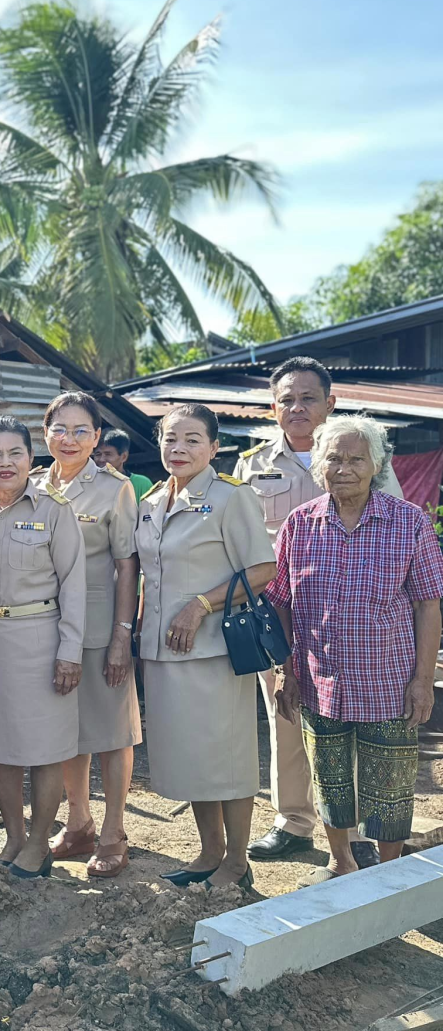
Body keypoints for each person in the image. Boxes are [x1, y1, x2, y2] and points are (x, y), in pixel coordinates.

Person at [236, 357, 403, 872]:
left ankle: (348, 829)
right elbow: (241, 542)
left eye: (308, 398)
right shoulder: (253, 464)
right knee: (285, 717)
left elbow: (395, 534)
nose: (297, 408)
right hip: (282, 613)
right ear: (274, 407)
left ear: (330, 403)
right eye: (287, 399)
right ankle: (293, 821)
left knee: (349, 724)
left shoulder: (368, 453)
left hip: (354, 621)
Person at [268, 415, 443, 883]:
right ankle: (341, 860)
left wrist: (423, 681)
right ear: (318, 465)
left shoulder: (408, 523)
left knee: (390, 785)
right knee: (330, 779)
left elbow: (429, 604)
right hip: (318, 680)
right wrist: (287, 672)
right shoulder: (300, 524)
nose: (344, 467)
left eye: (356, 458)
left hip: (388, 681)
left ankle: (385, 873)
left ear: (377, 464)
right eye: (334, 457)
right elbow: (281, 603)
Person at [136, 403, 276, 890]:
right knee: (191, 757)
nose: (179, 448)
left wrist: (201, 605)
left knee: (226, 756)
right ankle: (209, 852)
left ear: (215, 448)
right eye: (171, 438)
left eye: (193, 439)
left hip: (214, 650)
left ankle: (237, 861)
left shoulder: (230, 497)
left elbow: (262, 569)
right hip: (162, 650)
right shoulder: (153, 501)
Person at [0, 416, 85, 878]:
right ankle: (15, 836)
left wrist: (70, 651)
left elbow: (74, 583)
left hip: (41, 637)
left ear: (30, 459)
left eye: (14, 453)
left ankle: (39, 842)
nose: (5, 463)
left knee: (44, 748)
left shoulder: (54, 510)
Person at [41, 394, 141, 878]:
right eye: (61, 429)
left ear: (98, 438)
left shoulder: (115, 488)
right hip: (46, 628)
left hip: (101, 628)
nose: (70, 439)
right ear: (46, 433)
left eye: (82, 431)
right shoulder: (35, 484)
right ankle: (78, 822)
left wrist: (123, 634)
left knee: (111, 732)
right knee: (67, 731)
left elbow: (127, 565)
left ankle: (114, 831)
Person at [94, 429, 152, 505]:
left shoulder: (141, 484)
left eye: (108, 454)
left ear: (124, 457)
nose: (101, 459)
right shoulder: (89, 484)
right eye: (98, 454)